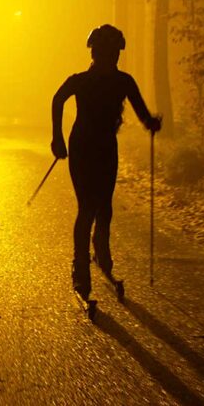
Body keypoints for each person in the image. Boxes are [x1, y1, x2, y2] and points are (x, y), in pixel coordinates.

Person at [51, 25, 161, 300]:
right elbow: (57, 99)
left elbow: (58, 100)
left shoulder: (115, 81)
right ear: (96, 53)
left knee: (104, 207)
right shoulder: (100, 81)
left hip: (99, 147)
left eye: (113, 53)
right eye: (106, 53)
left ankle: (98, 250)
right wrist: (57, 138)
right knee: (89, 207)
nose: (110, 58)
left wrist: (150, 123)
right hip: (86, 148)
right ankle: (81, 264)